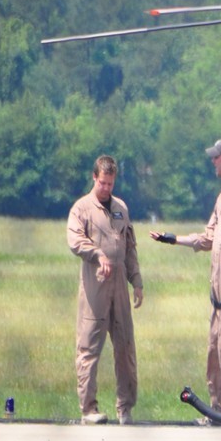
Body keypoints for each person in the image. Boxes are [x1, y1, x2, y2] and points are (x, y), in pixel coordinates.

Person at [150, 137, 221, 417]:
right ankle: (218, 408)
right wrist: (175, 240)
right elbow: (210, 237)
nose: (212, 161)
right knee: (214, 348)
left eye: (216, 157)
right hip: (217, 284)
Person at [67, 154, 144, 425]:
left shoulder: (121, 207)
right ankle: (89, 409)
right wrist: (97, 254)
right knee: (88, 348)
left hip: (119, 286)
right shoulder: (81, 209)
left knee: (125, 347)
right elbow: (75, 240)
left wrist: (136, 281)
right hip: (94, 286)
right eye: (102, 183)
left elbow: (130, 246)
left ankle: (125, 407)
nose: (107, 188)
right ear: (94, 178)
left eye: (111, 184)